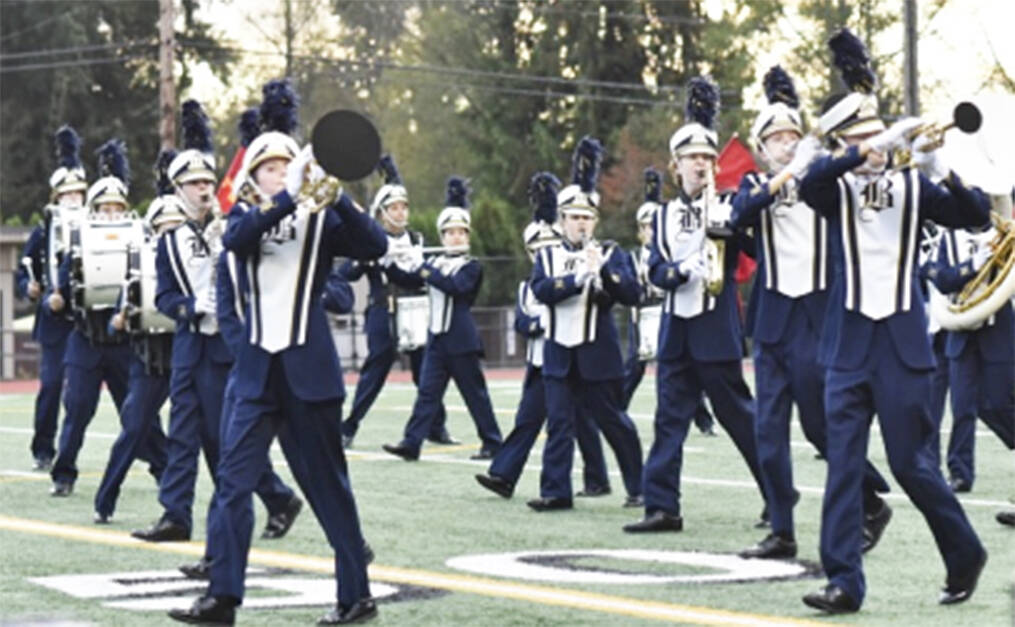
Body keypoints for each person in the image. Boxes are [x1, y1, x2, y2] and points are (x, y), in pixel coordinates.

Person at [169, 78, 385, 625]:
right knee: (232, 486)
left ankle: (356, 596)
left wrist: (341, 200)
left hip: (310, 373)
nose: (280, 173)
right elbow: (240, 242)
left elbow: (375, 247)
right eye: (269, 168)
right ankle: (223, 596)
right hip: (254, 375)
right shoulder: (242, 214)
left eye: (287, 165)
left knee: (328, 488)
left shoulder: (325, 215)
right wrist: (287, 196)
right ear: (253, 175)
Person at [798, 28, 988, 614]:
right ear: (843, 144)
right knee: (844, 464)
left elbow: (976, 217)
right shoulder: (835, 190)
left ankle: (965, 554)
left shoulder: (913, 186)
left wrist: (940, 166)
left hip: (903, 346)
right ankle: (844, 582)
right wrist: (856, 156)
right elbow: (809, 184)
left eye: (874, 136)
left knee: (912, 465)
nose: (871, 147)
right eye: (856, 140)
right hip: (849, 344)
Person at [731, 65, 891, 559]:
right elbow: (740, 216)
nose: (786, 142)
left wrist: (815, 160)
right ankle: (782, 528)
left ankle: (869, 498)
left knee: (820, 423)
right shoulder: (757, 183)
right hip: (774, 316)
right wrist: (785, 172)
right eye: (776, 138)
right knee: (768, 429)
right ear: (762, 147)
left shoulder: (826, 179)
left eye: (792, 135)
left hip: (818, 315)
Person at [625, 77, 767, 533]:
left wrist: (733, 227)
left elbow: (755, 249)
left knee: (741, 420)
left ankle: (776, 497)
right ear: (675, 165)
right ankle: (663, 507)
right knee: (669, 421)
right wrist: (676, 273)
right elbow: (655, 266)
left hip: (716, 330)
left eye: (707, 157)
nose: (701, 164)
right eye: (692, 158)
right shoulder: (662, 215)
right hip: (676, 331)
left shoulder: (728, 203)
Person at [133, 100, 235, 543]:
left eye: (208, 181)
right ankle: (176, 515)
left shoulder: (232, 228)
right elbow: (164, 297)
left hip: (224, 348)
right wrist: (187, 309)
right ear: (177, 189)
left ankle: (275, 497)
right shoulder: (168, 241)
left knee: (219, 439)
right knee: (182, 433)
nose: (203, 189)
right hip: (190, 344)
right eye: (194, 183)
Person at [525, 136, 645, 512]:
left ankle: (640, 487)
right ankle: (556, 491)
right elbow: (542, 290)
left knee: (613, 422)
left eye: (587, 217)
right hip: (560, 353)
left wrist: (604, 273)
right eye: (574, 217)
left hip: (598, 353)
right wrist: (578, 279)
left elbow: (632, 294)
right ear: (561, 220)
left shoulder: (611, 252)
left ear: (595, 220)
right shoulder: (547, 255)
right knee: (559, 424)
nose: (581, 224)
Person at [474, 171, 611, 501]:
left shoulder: (570, 263)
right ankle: (504, 475)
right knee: (528, 419)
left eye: (544, 247)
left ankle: (597, 478)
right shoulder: (528, 285)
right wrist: (541, 323)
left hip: (566, 354)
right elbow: (523, 322)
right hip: (541, 362)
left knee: (580, 422)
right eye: (534, 250)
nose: (540, 254)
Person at [382, 177, 504, 461]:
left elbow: (456, 287)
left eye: (461, 232)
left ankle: (493, 442)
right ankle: (412, 443)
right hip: (436, 340)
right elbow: (407, 278)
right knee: (427, 395)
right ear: (442, 236)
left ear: (468, 236)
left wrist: (423, 268)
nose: (456, 237)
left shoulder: (471, 266)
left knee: (475, 396)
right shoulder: (434, 263)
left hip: (461, 342)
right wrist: (388, 262)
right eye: (450, 233)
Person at [93, 150, 183, 523]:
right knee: (132, 432)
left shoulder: (196, 256)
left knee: (214, 435)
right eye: (164, 227)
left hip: (187, 358)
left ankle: (275, 498)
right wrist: (120, 319)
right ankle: (105, 499)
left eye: (177, 226)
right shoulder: (139, 260)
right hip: (148, 361)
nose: (170, 233)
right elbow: (119, 308)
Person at [339, 154, 453, 448]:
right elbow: (346, 273)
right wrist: (367, 259)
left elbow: (417, 279)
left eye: (404, 207)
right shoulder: (373, 239)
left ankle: (436, 426)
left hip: (414, 310)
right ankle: (349, 426)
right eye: (394, 208)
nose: (401, 213)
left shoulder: (415, 239)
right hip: (383, 311)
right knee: (375, 371)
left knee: (425, 372)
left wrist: (400, 265)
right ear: (381, 213)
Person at [48, 139, 137, 497]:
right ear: (94, 211)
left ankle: (164, 468)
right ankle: (64, 472)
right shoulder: (78, 247)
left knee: (138, 414)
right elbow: (63, 296)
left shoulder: (137, 246)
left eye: (118, 208)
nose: (113, 214)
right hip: (86, 340)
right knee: (78, 410)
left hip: (123, 344)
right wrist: (55, 300)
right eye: (105, 208)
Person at [621, 168, 716, 436]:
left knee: (680, 367)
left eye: (653, 225)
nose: (650, 231)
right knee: (634, 368)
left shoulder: (673, 249)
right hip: (641, 316)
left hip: (668, 310)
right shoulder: (633, 256)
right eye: (645, 227)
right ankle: (616, 411)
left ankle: (703, 419)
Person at [927, 217, 1014, 492]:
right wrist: (974, 265)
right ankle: (961, 472)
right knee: (962, 407)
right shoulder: (948, 238)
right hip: (961, 330)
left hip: (997, 331)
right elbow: (941, 279)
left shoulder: (1005, 234)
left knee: (998, 404)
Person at [16, 126, 85, 471]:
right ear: (56, 197)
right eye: (67, 194)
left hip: (87, 323)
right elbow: (22, 275)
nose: (74, 199)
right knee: (53, 386)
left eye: (78, 194)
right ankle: (43, 448)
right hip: (54, 324)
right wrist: (29, 288)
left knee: (84, 394)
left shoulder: (94, 228)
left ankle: (149, 452)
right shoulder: (43, 233)